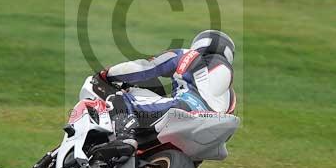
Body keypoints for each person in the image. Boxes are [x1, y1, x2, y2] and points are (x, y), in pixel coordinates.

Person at [90, 30, 236, 159]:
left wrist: (108, 74)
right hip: (210, 130)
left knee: (119, 98)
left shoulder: (189, 55)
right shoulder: (231, 94)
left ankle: (123, 138)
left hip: (184, 108)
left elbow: (147, 67)